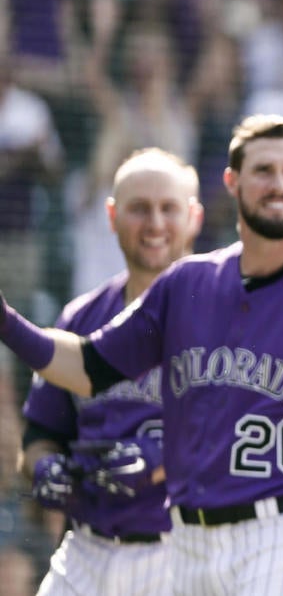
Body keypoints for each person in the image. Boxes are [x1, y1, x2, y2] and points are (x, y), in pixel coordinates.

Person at [0, 114, 283, 595]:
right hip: (188, 538)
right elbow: (87, 366)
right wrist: (7, 322)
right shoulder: (187, 286)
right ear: (231, 182)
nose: (279, 183)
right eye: (264, 170)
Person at [20, 148, 202, 594]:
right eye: (139, 208)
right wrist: (47, 470)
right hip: (84, 550)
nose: (155, 223)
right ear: (112, 216)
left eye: (168, 209)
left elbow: (242, 437)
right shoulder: (80, 320)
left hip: (180, 553)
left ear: (194, 217)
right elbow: (37, 438)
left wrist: (160, 460)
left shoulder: (224, 319)